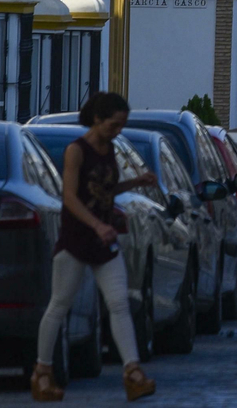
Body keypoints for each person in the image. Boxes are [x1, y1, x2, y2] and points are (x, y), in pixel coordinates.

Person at [31, 92, 158, 402]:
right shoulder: (77, 151)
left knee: (118, 303)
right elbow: (70, 197)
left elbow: (105, 189)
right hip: (76, 240)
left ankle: (132, 372)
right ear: (98, 119)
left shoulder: (110, 149)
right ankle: (42, 372)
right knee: (59, 305)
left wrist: (135, 182)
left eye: (122, 125)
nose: (118, 131)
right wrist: (97, 224)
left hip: (104, 241)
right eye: (114, 124)